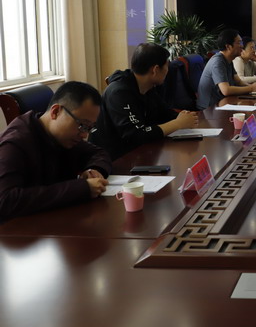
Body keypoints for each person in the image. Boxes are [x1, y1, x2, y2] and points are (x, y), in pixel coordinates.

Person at [0, 81, 111, 222]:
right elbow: (5, 201)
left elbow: (98, 153)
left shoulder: (63, 136)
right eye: (82, 125)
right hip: (19, 231)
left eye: (89, 128)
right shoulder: (15, 143)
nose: (84, 135)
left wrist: (94, 170)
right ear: (55, 112)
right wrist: (80, 189)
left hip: (56, 221)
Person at [90, 43, 199, 159]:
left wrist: (185, 117)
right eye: (167, 66)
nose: (168, 70)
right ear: (155, 70)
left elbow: (165, 114)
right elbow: (134, 135)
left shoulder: (147, 87)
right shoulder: (119, 92)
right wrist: (177, 124)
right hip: (113, 158)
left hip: (140, 152)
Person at [197, 29, 256, 109]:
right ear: (228, 46)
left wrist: (254, 88)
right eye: (239, 43)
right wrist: (251, 88)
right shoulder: (218, 61)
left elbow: (239, 82)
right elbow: (226, 90)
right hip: (209, 108)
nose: (242, 46)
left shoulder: (229, 60)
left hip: (223, 103)